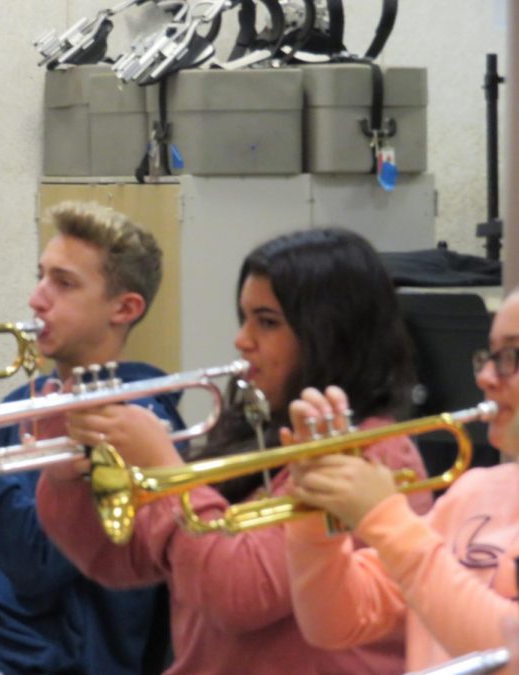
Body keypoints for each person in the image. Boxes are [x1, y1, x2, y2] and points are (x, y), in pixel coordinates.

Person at [37, 227, 433, 674]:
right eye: (244, 318)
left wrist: (166, 467)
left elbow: (238, 595)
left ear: (328, 333)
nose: (242, 340)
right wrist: (66, 480)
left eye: (267, 322)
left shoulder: (373, 456)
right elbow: (125, 563)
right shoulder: (257, 429)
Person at [0, 201, 185, 675]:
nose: (37, 299)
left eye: (63, 284)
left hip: (53, 663)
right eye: (41, 276)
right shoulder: (28, 398)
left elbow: (36, 564)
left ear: (124, 308)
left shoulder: (133, 426)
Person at [284, 287, 519, 672]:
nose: (487, 378)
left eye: (512, 356)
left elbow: (510, 654)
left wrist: (385, 517)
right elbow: (333, 624)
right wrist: (314, 511)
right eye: (489, 356)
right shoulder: (474, 491)